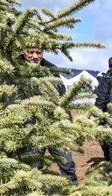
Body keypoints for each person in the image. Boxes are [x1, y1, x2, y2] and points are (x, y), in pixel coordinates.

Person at [20, 47, 79, 185]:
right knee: (33, 167)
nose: (35, 56)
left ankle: (73, 192)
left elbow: (63, 99)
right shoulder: (15, 72)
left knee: (67, 163)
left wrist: (66, 123)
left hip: (55, 128)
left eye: (39, 52)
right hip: (29, 129)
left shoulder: (52, 71)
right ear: (23, 51)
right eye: (31, 52)